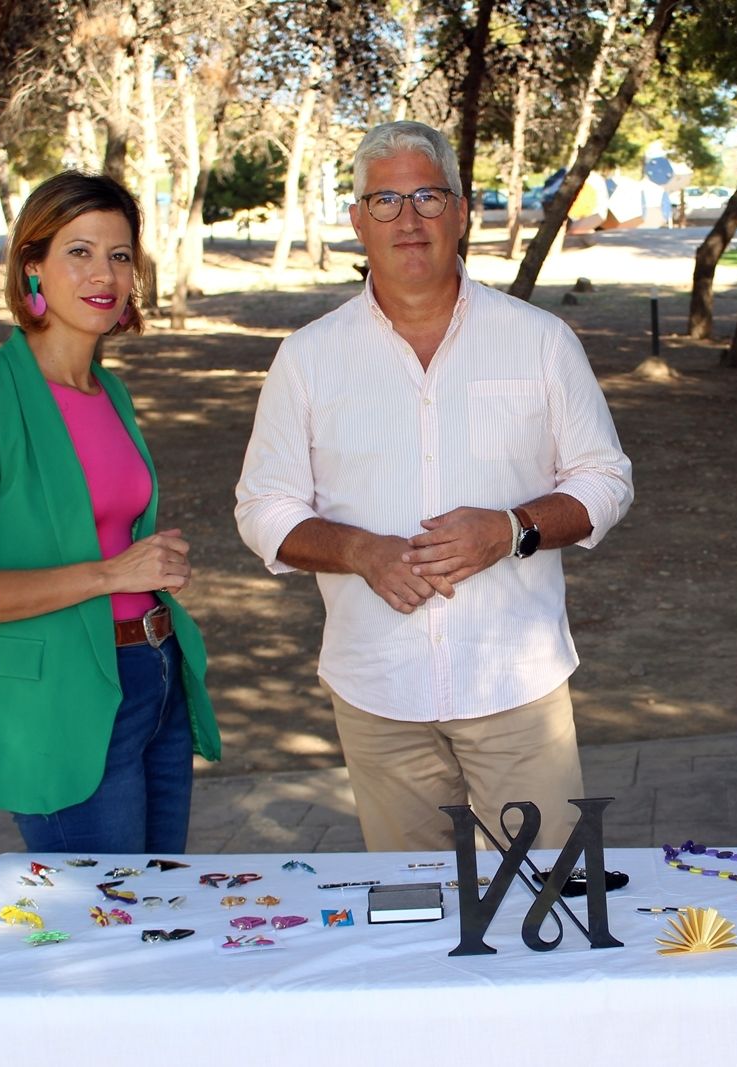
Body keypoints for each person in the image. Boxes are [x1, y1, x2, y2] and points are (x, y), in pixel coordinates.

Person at [235, 120, 632, 852]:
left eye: (427, 195)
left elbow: (604, 479)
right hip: (377, 690)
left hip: (516, 688)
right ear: (356, 221)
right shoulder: (308, 358)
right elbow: (264, 505)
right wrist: (359, 551)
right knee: (415, 920)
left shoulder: (541, 340)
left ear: (462, 210)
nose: (408, 219)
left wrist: (509, 529)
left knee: (551, 904)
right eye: (383, 201)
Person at [0, 171, 220, 853]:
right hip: (61, 704)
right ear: (33, 267)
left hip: (155, 678)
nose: (102, 273)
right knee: (101, 932)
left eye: (118, 254)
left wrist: (145, 568)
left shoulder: (111, 391)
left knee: (159, 912)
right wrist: (111, 573)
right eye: (78, 251)